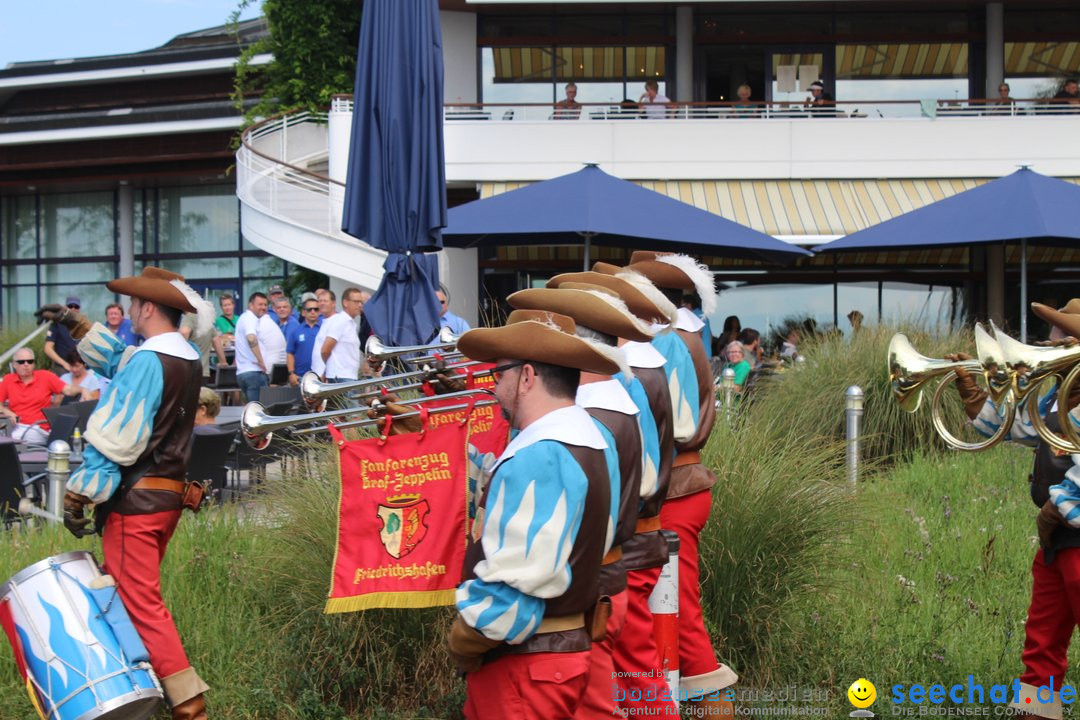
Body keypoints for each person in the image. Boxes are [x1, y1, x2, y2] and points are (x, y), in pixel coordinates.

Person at [47, 266, 211, 719]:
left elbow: (117, 438)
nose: (132, 314)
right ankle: (142, 695)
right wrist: (76, 325)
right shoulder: (183, 357)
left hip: (136, 504)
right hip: (165, 501)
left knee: (140, 602)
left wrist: (80, 494)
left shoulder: (149, 361)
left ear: (148, 307)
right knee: (129, 597)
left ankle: (189, 705)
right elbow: (123, 360)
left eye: (135, 307)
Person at [449, 308, 617, 720]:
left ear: (526, 376)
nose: (494, 387)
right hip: (562, 655)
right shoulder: (597, 437)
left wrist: (463, 641)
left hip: (524, 665)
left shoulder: (540, 453)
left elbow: (513, 592)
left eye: (498, 375)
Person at [598, 251, 736, 715]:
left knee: (674, 623)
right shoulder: (684, 335)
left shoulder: (670, 341)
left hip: (673, 486)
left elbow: (670, 429)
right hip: (681, 483)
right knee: (671, 619)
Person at [548, 268, 680, 717]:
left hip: (616, 558)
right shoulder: (625, 384)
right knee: (632, 679)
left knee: (628, 683)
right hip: (628, 550)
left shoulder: (607, 398)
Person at [951, 300, 1080, 720]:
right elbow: (1017, 428)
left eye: (1061, 337)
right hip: (1058, 543)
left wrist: (1055, 509)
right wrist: (976, 399)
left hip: (1071, 536)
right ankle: (1036, 714)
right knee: (1041, 644)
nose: (1050, 344)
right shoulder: (1058, 401)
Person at [0, 347, 82, 443]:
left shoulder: (45, 376)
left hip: (38, 427)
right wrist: (7, 412)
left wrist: (83, 389)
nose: (26, 365)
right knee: (7, 437)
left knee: (10, 439)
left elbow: (68, 390)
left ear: (33, 364)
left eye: (30, 361)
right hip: (15, 426)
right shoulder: (8, 380)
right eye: (21, 362)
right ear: (14, 364)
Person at [233, 292, 285, 402]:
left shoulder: (243, 318)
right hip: (254, 373)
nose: (263, 307)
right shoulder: (250, 318)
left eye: (265, 305)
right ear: (250, 305)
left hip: (242, 373)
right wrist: (261, 361)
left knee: (253, 410)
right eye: (260, 304)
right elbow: (251, 338)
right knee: (260, 412)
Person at [320, 287, 363, 383]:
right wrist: (330, 368)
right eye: (356, 301)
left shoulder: (349, 323)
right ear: (345, 303)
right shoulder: (340, 321)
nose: (360, 305)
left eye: (361, 302)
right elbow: (325, 350)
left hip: (346, 376)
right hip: (341, 376)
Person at [286, 296, 322, 385]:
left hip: (321, 376)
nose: (313, 312)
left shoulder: (324, 330)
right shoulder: (296, 331)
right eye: (309, 309)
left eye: (316, 309)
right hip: (300, 377)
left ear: (319, 312)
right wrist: (291, 373)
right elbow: (290, 353)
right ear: (303, 312)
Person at [44, 295, 83, 374]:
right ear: (65, 308)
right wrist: (64, 364)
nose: (73, 309)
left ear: (79, 309)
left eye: (76, 307)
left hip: (81, 367)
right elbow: (47, 348)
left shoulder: (83, 324)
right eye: (70, 306)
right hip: (62, 367)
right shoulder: (57, 324)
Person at [310, 289, 337, 379]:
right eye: (320, 301)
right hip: (319, 374)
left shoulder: (336, 321)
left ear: (333, 303)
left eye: (325, 301)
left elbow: (328, 351)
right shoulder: (325, 322)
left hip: (328, 376)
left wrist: (325, 373)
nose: (322, 303)